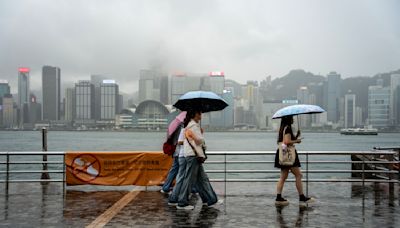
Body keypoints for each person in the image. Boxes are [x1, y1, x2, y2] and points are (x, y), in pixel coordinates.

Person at [176, 110, 223, 210]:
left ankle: (210, 199)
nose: (201, 115)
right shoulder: (193, 126)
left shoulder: (190, 125)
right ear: (195, 114)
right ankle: (182, 203)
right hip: (193, 155)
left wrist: (199, 134)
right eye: (199, 113)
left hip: (192, 155)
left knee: (203, 179)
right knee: (189, 180)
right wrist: (201, 135)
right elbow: (199, 141)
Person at [274, 116, 314, 206]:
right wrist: (297, 141)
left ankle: (279, 197)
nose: (293, 119)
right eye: (292, 118)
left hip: (283, 154)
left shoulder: (283, 128)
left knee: (283, 177)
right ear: (288, 119)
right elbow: (287, 141)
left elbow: (284, 140)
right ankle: (301, 196)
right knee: (298, 175)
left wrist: (296, 135)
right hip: (289, 155)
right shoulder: (288, 128)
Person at [161, 125, 182, 194]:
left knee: (174, 170)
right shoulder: (182, 128)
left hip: (176, 152)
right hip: (180, 152)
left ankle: (166, 187)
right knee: (184, 172)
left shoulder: (176, 126)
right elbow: (180, 141)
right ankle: (176, 191)